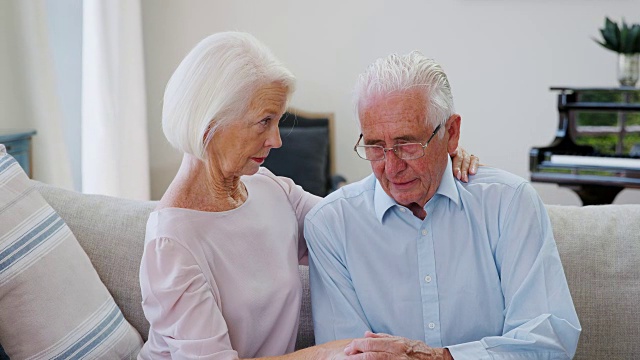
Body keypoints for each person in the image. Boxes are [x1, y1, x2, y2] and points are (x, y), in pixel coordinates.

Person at [138, 32, 478, 359]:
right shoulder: (171, 243)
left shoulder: (269, 190)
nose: (276, 140)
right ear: (210, 121)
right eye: (264, 121)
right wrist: (327, 354)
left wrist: (437, 160)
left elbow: (362, 217)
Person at [305, 52, 581, 359]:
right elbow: (347, 353)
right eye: (374, 146)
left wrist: (439, 357)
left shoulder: (509, 203)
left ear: (451, 134)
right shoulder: (331, 224)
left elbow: (548, 340)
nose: (391, 167)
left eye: (407, 144)